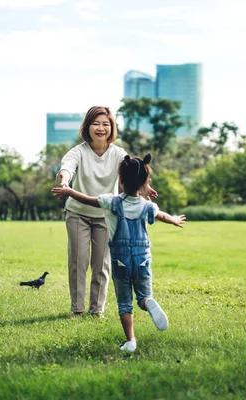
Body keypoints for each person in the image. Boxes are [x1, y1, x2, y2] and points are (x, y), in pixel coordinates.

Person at [52, 154, 186, 352]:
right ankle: (148, 301)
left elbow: (88, 200)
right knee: (142, 296)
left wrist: (70, 191)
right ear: (144, 183)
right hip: (142, 260)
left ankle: (131, 340)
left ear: (120, 180)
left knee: (124, 303)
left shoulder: (111, 202)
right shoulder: (148, 205)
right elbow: (161, 215)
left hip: (121, 261)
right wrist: (173, 219)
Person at [54, 106, 156, 319]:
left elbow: (135, 170)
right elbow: (67, 167)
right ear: (88, 127)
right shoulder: (78, 152)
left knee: (102, 264)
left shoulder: (119, 154)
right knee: (78, 261)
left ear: (111, 128)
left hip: (106, 216)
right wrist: (64, 181)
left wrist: (144, 186)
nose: (101, 128)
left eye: (105, 124)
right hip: (77, 213)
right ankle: (77, 309)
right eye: (96, 123)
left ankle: (96, 309)